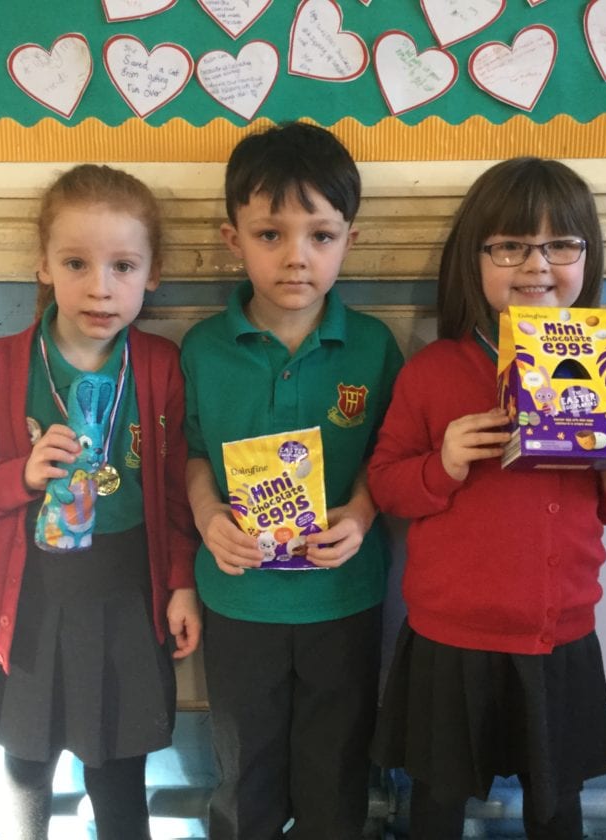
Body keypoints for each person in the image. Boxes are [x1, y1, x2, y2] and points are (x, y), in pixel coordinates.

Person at [368, 157, 606, 840]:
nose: (537, 264)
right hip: (451, 637)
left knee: (555, 803)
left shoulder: (602, 372)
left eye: (561, 245)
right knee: (437, 799)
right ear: (475, 259)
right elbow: (387, 485)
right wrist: (443, 463)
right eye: (511, 246)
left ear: (587, 256)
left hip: (558, 632)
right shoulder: (434, 371)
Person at [0, 164, 200, 840]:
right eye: (76, 263)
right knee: (26, 769)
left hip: (125, 599)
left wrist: (182, 583)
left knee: (119, 773)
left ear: (153, 273)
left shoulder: (160, 366)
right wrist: (19, 475)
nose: (100, 287)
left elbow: (174, 492)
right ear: (43, 265)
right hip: (28, 602)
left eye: (123, 265)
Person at [180, 121, 404, 840]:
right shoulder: (203, 349)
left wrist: (361, 513)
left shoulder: (372, 346)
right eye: (270, 235)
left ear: (349, 240)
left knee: (336, 767)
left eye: (321, 235)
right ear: (233, 239)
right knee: (244, 767)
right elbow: (190, 452)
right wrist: (209, 516)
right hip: (239, 595)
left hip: (342, 595)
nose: (296, 257)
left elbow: (389, 455)